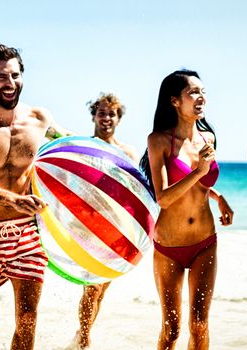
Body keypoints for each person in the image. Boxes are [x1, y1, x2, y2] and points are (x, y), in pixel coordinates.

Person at [0, 44, 69, 350]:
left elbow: (73, 150)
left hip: (27, 232)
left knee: (28, 318)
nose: (11, 82)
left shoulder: (41, 119)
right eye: (1, 76)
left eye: (16, 75)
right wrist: (12, 200)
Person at [146, 69, 234, 350]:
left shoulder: (208, 138)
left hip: (204, 241)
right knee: (171, 330)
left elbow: (201, 186)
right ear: (174, 101)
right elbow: (164, 198)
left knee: (199, 324)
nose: (201, 98)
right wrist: (199, 172)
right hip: (169, 245)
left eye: (203, 92)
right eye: (193, 92)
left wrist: (218, 196)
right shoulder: (158, 140)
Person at [73, 92, 140, 349]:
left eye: (111, 113)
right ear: (94, 116)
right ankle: (85, 339)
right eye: (101, 112)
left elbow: (137, 190)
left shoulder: (128, 151)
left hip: (118, 227)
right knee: (92, 288)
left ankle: (82, 333)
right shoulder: (81, 146)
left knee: (101, 289)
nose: (106, 118)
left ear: (118, 119)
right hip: (88, 226)